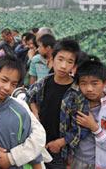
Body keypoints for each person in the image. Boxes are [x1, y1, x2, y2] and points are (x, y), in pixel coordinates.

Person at [28, 39, 89, 169]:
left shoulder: (78, 93)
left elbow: (82, 129)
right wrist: (35, 113)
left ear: (74, 66)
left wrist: (61, 142)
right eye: (60, 59)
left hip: (59, 152)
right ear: (52, 58)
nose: (63, 66)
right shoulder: (43, 82)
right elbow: (29, 96)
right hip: (38, 144)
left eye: (69, 62)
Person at [70, 57, 106, 168]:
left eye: (95, 83)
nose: (89, 89)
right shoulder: (74, 103)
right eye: (83, 83)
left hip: (102, 164)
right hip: (77, 160)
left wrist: (94, 127)